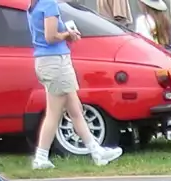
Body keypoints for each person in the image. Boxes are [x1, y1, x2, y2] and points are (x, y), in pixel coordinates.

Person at [30, 0, 122, 169]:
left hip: (48, 61)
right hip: (56, 61)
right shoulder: (48, 4)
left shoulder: (34, 5)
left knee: (76, 110)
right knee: (54, 112)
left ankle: (96, 151)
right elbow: (50, 37)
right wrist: (68, 34)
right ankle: (41, 157)